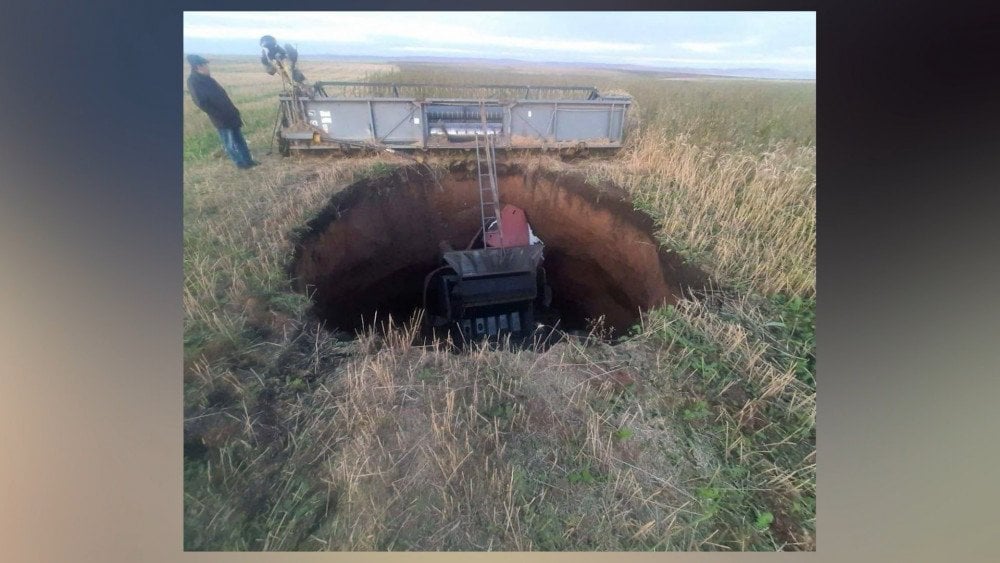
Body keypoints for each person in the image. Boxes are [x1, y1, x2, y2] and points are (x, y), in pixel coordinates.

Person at [186, 55, 259, 169]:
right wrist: (219, 115)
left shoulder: (209, 79)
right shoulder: (193, 82)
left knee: (240, 140)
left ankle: (248, 161)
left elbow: (223, 96)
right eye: (205, 65)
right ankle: (240, 164)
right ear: (198, 67)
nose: (207, 68)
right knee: (229, 143)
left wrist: (233, 110)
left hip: (230, 114)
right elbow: (201, 103)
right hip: (220, 118)